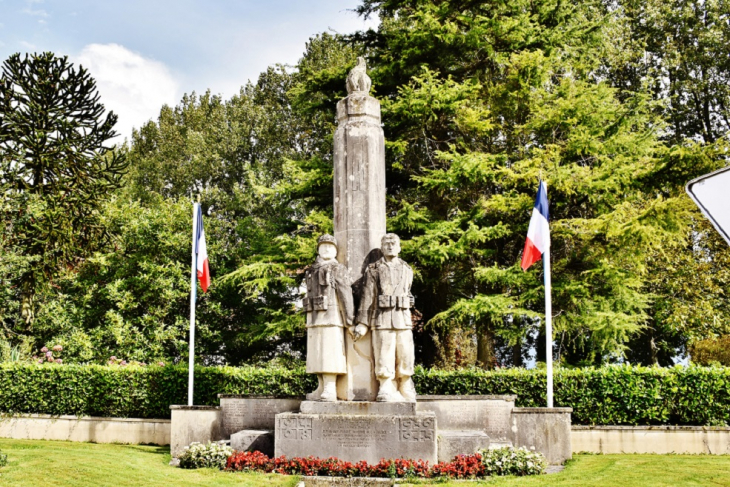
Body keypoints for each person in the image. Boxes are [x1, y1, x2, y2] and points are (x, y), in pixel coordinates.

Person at [355, 233, 416, 402]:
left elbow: (407, 291)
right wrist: (362, 323)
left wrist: (410, 299)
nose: (390, 246)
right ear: (382, 247)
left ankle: (405, 383)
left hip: (402, 317)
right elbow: (367, 297)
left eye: (393, 243)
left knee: (406, 352)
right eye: (386, 243)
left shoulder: (406, 268)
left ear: (399, 247)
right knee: (384, 352)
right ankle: (385, 385)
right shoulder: (373, 269)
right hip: (381, 317)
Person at [304, 234, 354, 402]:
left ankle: (330, 388)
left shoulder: (338, 268)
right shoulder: (311, 270)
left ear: (335, 250)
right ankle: (321, 386)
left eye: (330, 246)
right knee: (316, 354)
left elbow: (345, 294)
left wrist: (349, 320)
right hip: (314, 317)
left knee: (329, 353)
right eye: (323, 246)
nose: (326, 249)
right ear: (318, 249)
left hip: (332, 317)